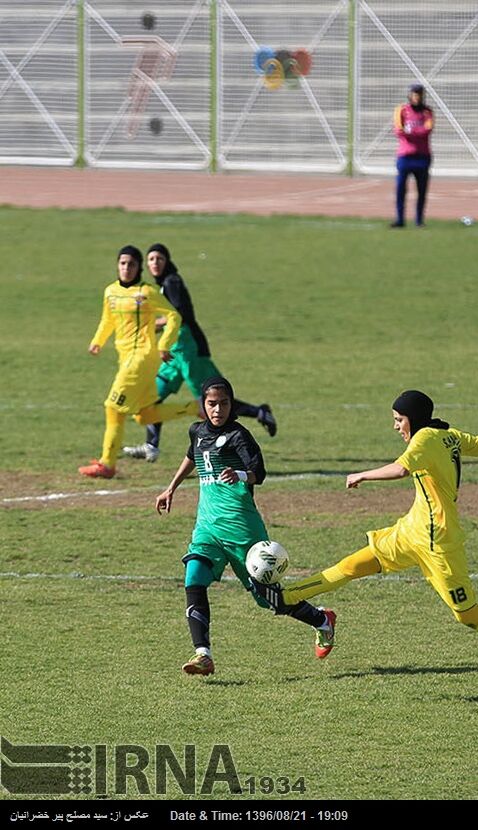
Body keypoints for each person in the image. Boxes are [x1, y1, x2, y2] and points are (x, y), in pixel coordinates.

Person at [254, 390, 478, 695]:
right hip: (411, 532)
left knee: (467, 614)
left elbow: (401, 469)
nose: (396, 427)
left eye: (399, 420)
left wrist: (361, 475)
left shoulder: (426, 439)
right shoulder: (448, 435)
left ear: (414, 419)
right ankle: (286, 597)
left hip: (439, 544)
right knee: (352, 566)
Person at [155, 377, 330, 676]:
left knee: (268, 600)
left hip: (243, 530)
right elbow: (191, 457)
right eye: (212, 404)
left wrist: (238, 474)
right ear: (203, 405)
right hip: (207, 528)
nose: (218, 409)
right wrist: (171, 488)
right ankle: (203, 655)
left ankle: (322, 620)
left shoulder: (239, 435)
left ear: (231, 404)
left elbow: (259, 472)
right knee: (193, 578)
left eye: (224, 403)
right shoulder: (197, 431)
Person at [123, 243, 277, 463]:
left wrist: (150, 324)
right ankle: (151, 446)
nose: (155, 263)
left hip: (189, 349)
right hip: (174, 352)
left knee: (210, 401)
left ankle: (252, 422)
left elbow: (180, 316)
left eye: (159, 259)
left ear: (167, 261)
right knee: (150, 395)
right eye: (151, 259)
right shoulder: (163, 285)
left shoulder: (172, 282)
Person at [81, 246, 197, 479]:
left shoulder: (146, 292)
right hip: (126, 359)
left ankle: (107, 464)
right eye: (122, 263)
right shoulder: (110, 292)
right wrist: (98, 341)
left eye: (131, 264)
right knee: (145, 414)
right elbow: (107, 319)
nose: (126, 268)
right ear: (117, 265)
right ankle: (196, 409)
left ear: (138, 268)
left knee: (113, 408)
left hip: (142, 358)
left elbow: (174, 315)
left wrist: (164, 344)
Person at [392, 84, 434, 228]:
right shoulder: (401, 110)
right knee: (400, 189)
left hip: (422, 157)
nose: (417, 97)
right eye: (415, 94)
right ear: (410, 95)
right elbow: (399, 131)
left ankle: (419, 220)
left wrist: (411, 132)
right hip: (405, 156)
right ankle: (400, 219)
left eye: (420, 94)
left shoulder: (428, 112)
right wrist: (415, 132)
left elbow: (427, 131)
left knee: (422, 190)